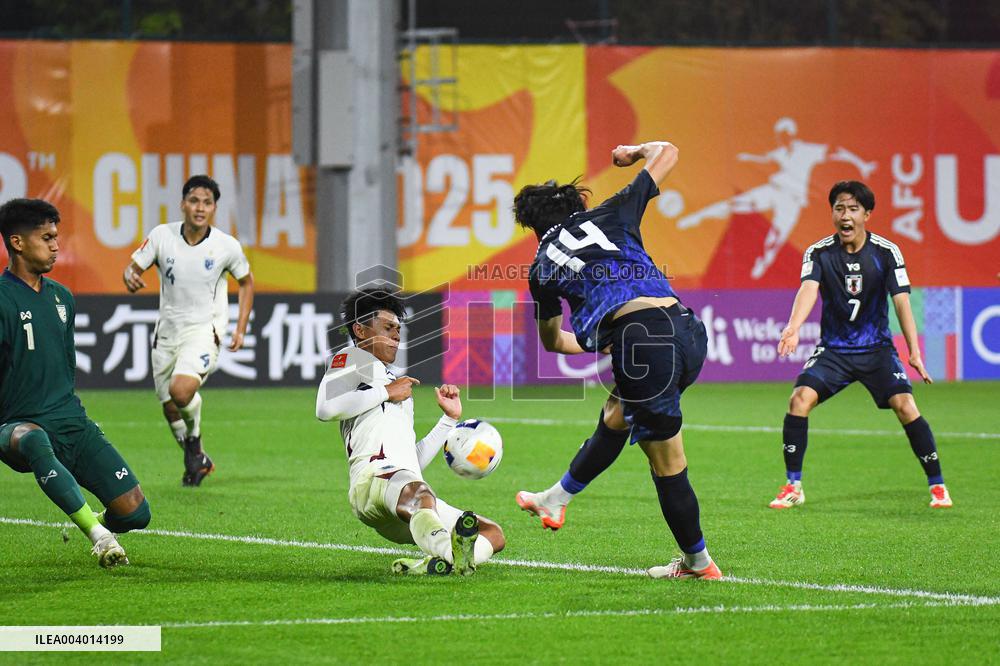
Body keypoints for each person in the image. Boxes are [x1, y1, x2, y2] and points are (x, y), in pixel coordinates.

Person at [513, 141, 722, 580]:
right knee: (617, 413)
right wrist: (633, 151)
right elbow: (669, 151)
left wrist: (607, 339)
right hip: (686, 329)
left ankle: (699, 564)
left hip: (642, 343)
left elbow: (552, 342)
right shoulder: (612, 211)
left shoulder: (541, 268)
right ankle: (556, 497)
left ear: (531, 225)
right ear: (576, 206)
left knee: (666, 462)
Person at [769, 180, 952, 510]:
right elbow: (808, 289)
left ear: (867, 214)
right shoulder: (819, 253)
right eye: (839, 208)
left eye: (853, 209)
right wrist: (793, 328)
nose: (845, 215)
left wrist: (913, 351)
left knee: (906, 406)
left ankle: (937, 486)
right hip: (835, 351)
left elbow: (901, 302)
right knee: (799, 400)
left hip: (877, 350)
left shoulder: (886, 252)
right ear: (832, 214)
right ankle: (793, 485)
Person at [0, 198, 150, 567]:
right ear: (17, 242)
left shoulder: (61, 298)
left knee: (135, 513)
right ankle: (98, 536)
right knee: (34, 438)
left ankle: (99, 519)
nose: (55, 245)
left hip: (69, 420)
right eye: (46, 237)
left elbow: (66, 366)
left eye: (56, 236)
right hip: (16, 425)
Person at [316, 287, 505, 576]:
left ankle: (431, 563)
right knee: (418, 491)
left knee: (492, 534)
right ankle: (449, 551)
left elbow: (410, 461)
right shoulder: (352, 357)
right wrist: (385, 391)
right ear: (361, 330)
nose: (396, 335)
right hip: (373, 484)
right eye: (388, 327)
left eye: (398, 329)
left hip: (405, 498)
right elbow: (325, 408)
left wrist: (448, 420)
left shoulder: (396, 384)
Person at [123, 175, 254, 486]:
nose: (200, 207)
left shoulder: (226, 246)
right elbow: (133, 268)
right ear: (183, 204)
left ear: (214, 209)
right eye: (194, 201)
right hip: (167, 331)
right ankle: (198, 460)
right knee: (169, 406)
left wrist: (240, 327)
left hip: (204, 330)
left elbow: (246, 282)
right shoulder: (161, 236)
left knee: (181, 392)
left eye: (207, 203)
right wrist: (129, 276)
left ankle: (194, 446)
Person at [676, 117, 876, 280]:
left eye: (786, 135)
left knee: (775, 238)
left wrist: (862, 164)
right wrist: (747, 158)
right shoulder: (780, 151)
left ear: (792, 134)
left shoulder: (807, 150)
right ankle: (697, 217)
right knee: (736, 204)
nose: (783, 138)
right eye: (781, 136)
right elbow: (765, 158)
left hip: (792, 200)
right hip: (775, 190)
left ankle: (760, 267)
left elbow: (837, 153)